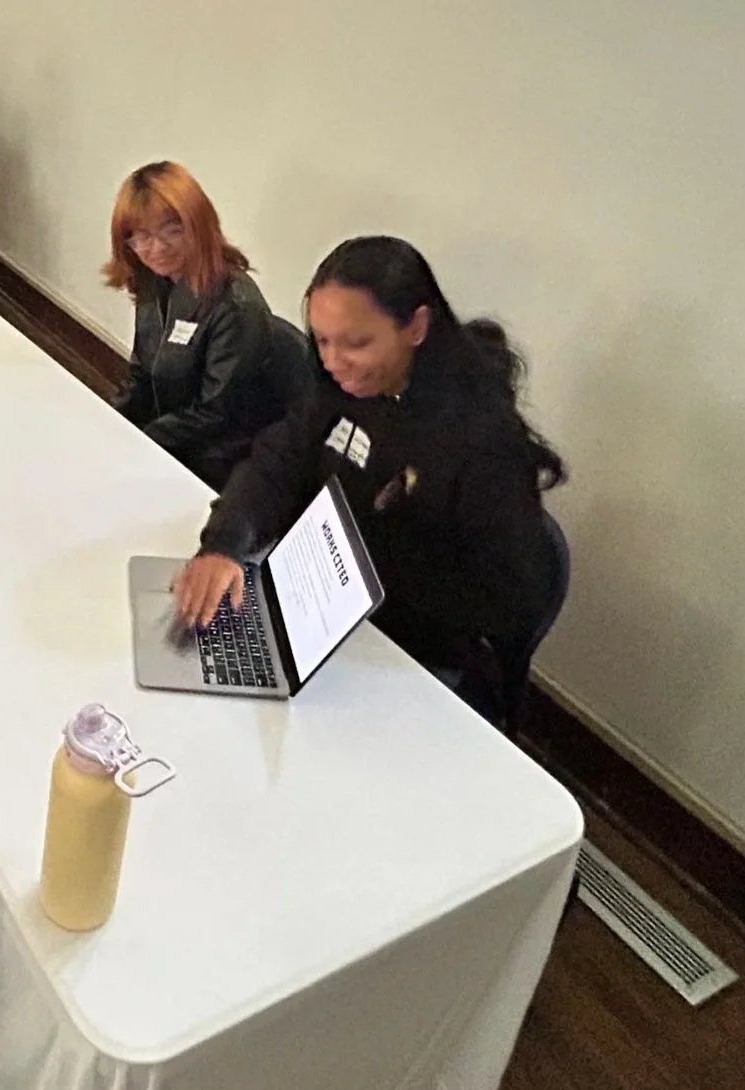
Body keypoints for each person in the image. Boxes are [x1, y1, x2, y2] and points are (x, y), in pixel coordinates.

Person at [172, 235, 567, 718]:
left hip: (410, 650)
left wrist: (369, 558)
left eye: (357, 343)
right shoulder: (340, 385)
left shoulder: (480, 442)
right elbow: (279, 457)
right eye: (321, 339)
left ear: (416, 326)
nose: (334, 361)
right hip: (318, 605)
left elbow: (510, 598)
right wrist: (223, 544)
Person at [103, 161, 311, 490]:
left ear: (198, 224)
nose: (156, 248)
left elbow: (216, 413)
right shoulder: (153, 284)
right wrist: (109, 427)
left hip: (222, 461)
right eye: (141, 236)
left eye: (171, 230)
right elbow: (141, 374)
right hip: (175, 437)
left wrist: (140, 443)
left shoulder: (235, 307)